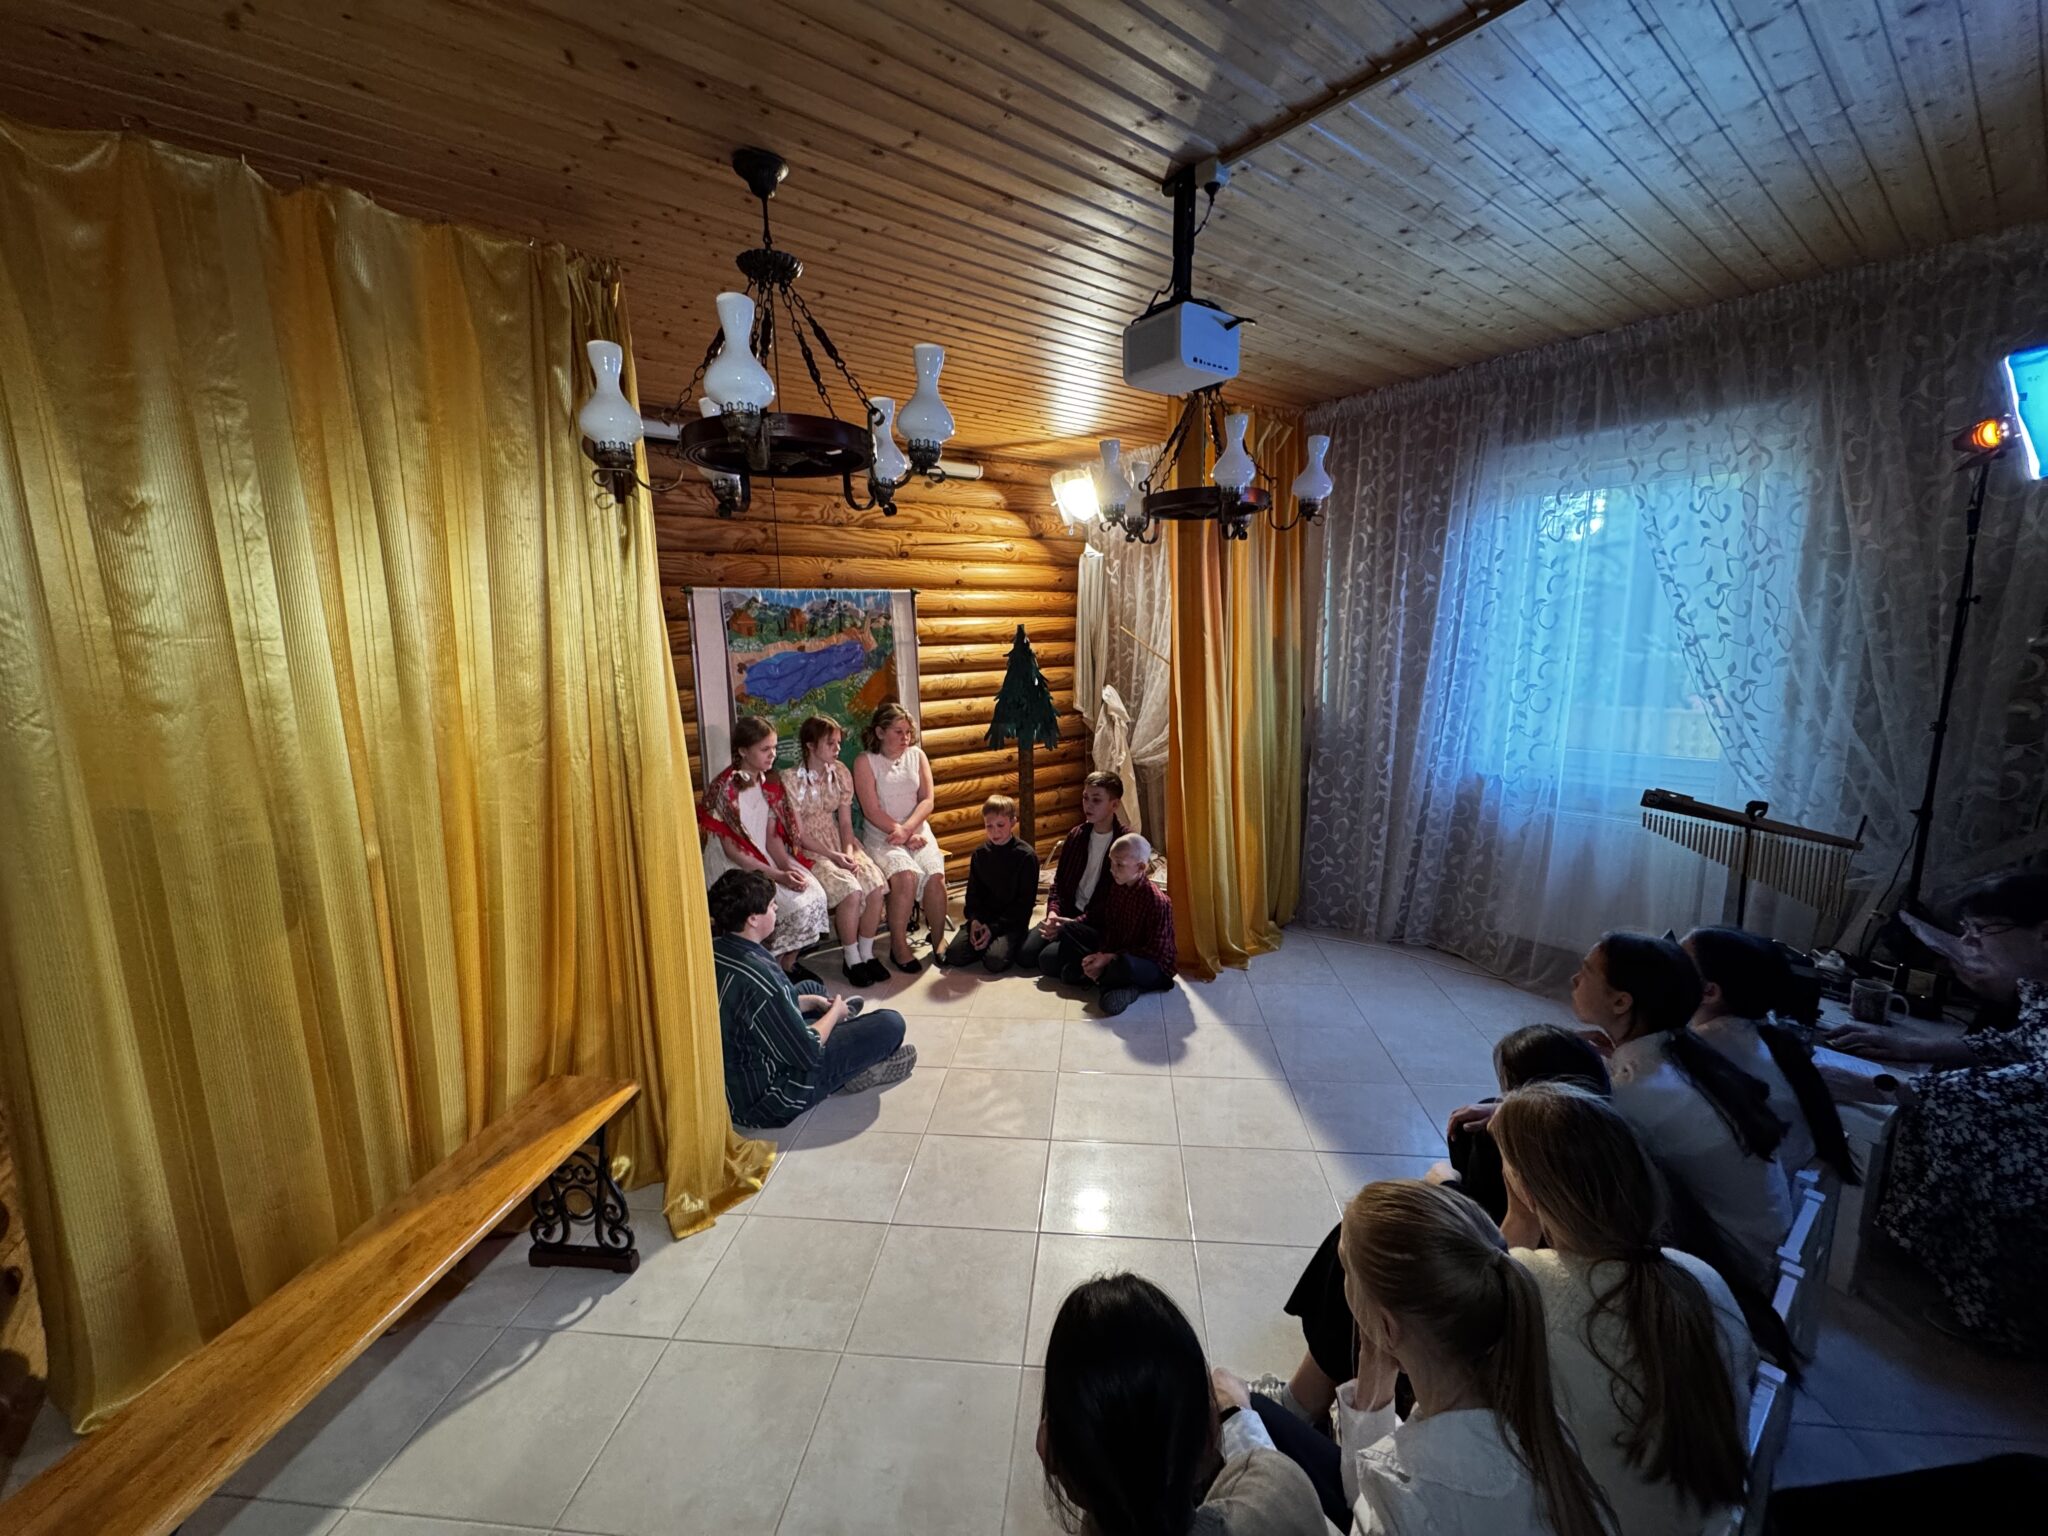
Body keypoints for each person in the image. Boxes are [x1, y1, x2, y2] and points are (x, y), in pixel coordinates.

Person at [1222, 1181, 1615, 1536]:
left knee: (1229, 1413)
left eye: (1344, 1269)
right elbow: (1368, 1487)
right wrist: (1374, 1375)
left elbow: (1344, 1510)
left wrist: (1239, 1431)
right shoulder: (1542, 1427)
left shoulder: (1405, 1496)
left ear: (1387, 1326)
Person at [1491, 1083, 1756, 1536]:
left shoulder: (1528, 1285)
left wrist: (1520, 1217)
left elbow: (1475, 1305)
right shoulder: (1697, 1275)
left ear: (1529, 1192)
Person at [1830, 873, 2048, 1352]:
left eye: (1981, 932)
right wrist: (1911, 1047)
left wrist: (1885, 1086)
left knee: (1964, 1121)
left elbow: (2035, 1079)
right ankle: (1928, 1246)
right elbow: (2019, 1045)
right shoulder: (2040, 987)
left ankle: (2003, 1318)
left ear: (2044, 932)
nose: (1968, 945)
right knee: (1935, 1108)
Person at [1573, 932, 1794, 1291]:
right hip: (1754, 1246)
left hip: (1720, 1274)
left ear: (1621, 1002)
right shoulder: (1685, 1053)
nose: (1575, 980)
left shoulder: (1637, 1093)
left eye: (1585, 971)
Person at [1036, 1273, 1329, 1536]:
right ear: (1211, 1435)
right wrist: (1236, 1414)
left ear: (1048, 1451)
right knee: (1259, 1405)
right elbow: (1266, 1479)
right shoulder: (1279, 1489)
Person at [708, 869, 914, 1129]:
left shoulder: (717, 949)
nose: (776, 909)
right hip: (769, 1098)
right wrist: (834, 1013)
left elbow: (756, 1010)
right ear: (753, 919)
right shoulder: (762, 975)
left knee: (811, 987)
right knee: (890, 1024)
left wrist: (813, 1002)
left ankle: (844, 1031)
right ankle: (855, 1059)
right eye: (771, 906)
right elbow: (807, 1051)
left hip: (737, 1078)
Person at [1683, 926, 1858, 1188]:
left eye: (1679, 962)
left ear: (1710, 992)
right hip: (1779, 1194)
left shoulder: (1705, 1050)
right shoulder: (1762, 1035)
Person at [699, 715, 828, 973]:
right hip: (734, 867)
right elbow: (733, 851)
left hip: (764, 856)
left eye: (774, 747)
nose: (773, 755)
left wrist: (786, 868)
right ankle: (767, 968)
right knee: (786, 906)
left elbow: (771, 837)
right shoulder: (726, 789)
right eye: (765, 749)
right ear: (743, 751)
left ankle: (786, 965)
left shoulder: (770, 783)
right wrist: (778, 876)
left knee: (815, 895)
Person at [781, 714, 889, 986]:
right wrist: (834, 857)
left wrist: (848, 853)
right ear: (810, 745)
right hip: (810, 848)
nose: (837, 748)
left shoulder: (839, 772)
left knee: (875, 885)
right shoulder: (791, 779)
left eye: (839, 742)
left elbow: (845, 822)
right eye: (831, 743)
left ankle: (867, 953)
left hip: (839, 840)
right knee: (850, 891)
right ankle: (851, 959)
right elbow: (800, 834)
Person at [852, 702, 947, 973]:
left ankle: (939, 939)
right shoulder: (865, 761)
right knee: (905, 877)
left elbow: (927, 800)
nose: (905, 738)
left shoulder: (917, 756)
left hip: (917, 830)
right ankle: (898, 946)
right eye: (898, 732)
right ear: (880, 732)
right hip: (882, 834)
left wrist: (909, 830)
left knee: (935, 876)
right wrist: (901, 834)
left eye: (908, 732)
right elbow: (871, 810)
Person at [1022, 770, 1128, 978]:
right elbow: (1058, 883)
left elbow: (1113, 904)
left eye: (1096, 800)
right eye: (1085, 798)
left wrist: (1073, 924)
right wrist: (1053, 913)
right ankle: (1072, 953)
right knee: (1025, 955)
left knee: (1046, 961)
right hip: (1068, 912)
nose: (1088, 805)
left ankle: (1088, 962)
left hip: (1094, 923)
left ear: (1114, 804)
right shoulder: (1077, 835)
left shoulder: (1123, 842)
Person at [1058, 832, 1175, 1017]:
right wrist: (1077, 926)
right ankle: (1104, 977)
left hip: (1145, 963)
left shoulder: (1158, 902)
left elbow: (1155, 953)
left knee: (1120, 974)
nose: (1112, 870)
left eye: (1119, 865)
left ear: (1141, 867)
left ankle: (1124, 984)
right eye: (1111, 863)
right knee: (1068, 930)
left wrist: (1109, 958)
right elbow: (1102, 919)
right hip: (1115, 950)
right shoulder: (1117, 885)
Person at [942, 794, 1041, 973]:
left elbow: (1024, 904)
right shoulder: (980, 854)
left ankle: (1001, 943)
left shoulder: (1026, 856)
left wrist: (993, 928)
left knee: (994, 962)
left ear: (1013, 822)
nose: (995, 832)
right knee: (954, 955)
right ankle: (985, 942)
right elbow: (973, 894)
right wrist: (975, 921)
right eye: (989, 826)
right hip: (984, 920)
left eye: (1000, 825)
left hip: (1010, 923)